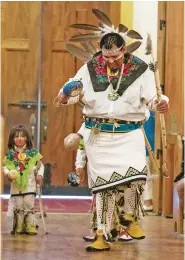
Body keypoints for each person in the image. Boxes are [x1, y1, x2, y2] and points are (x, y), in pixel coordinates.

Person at [57, 9, 169, 251]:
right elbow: (75, 91)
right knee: (104, 188)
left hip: (130, 134)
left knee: (136, 176)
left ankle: (129, 217)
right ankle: (101, 235)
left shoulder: (141, 69)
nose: (110, 62)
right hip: (98, 135)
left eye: (115, 57)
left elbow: (152, 98)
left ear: (124, 51)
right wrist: (66, 94)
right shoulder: (90, 68)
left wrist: (160, 102)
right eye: (106, 57)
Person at [2, 124, 44, 235]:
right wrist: (8, 174)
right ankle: (19, 226)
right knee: (19, 205)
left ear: (27, 138)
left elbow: (40, 166)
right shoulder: (10, 155)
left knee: (28, 203)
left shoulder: (33, 153)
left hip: (29, 184)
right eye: (16, 136)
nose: (19, 139)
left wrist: (39, 175)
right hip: (16, 185)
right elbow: (5, 167)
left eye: (22, 136)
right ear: (12, 139)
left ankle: (30, 225)